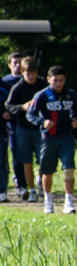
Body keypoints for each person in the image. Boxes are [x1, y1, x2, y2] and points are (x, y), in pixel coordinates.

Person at [26, 66, 77, 214]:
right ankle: (48, 201)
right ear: (49, 79)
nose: (59, 83)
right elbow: (30, 115)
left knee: (69, 169)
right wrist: (42, 122)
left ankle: (69, 201)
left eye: (61, 80)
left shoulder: (70, 94)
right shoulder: (41, 96)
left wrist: (75, 119)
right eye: (55, 80)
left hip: (66, 137)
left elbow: (76, 110)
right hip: (49, 139)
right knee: (48, 172)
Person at [5, 56, 47, 202]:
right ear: (23, 73)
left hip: (40, 128)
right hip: (23, 128)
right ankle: (32, 190)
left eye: (33, 73)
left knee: (43, 160)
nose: (31, 76)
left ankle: (40, 181)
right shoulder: (18, 88)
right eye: (28, 73)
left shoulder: (42, 85)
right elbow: (9, 106)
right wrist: (23, 107)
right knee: (26, 161)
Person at [2, 52, 29, 197]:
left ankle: (21, 182)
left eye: (20, 62)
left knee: (19, 155)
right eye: (14, 63)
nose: (17, 66)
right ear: (9, 65)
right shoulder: (6, 82)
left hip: (21, 124)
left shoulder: (28, 82)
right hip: (6, 123)